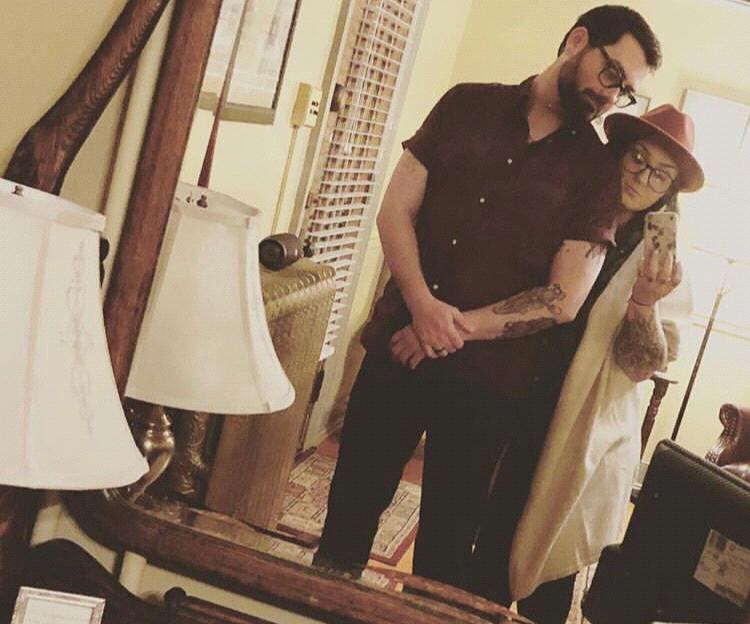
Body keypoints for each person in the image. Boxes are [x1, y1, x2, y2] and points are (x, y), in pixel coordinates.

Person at [313, 5, 661, 592]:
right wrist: (422, 306)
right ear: (577, 40)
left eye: (624, 91)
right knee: (345, 523)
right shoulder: (464, 104)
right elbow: (395, 210)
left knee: (445, 559)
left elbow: (563, 299)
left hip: (488, 388)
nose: (610, 96)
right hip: (397, 352)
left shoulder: (597, 172)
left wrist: (442, 328)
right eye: (611, 74)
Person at [465, 104, 705, 623]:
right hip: (514, 396)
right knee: (486, 547)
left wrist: (644, 302)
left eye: (660, 174)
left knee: (550, 564)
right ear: (619, 153)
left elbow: (642, 366)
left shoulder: (661, 264)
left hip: (583, 425)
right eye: (637, 158)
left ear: (669, 191)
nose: (642, 177)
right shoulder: (567, 211)